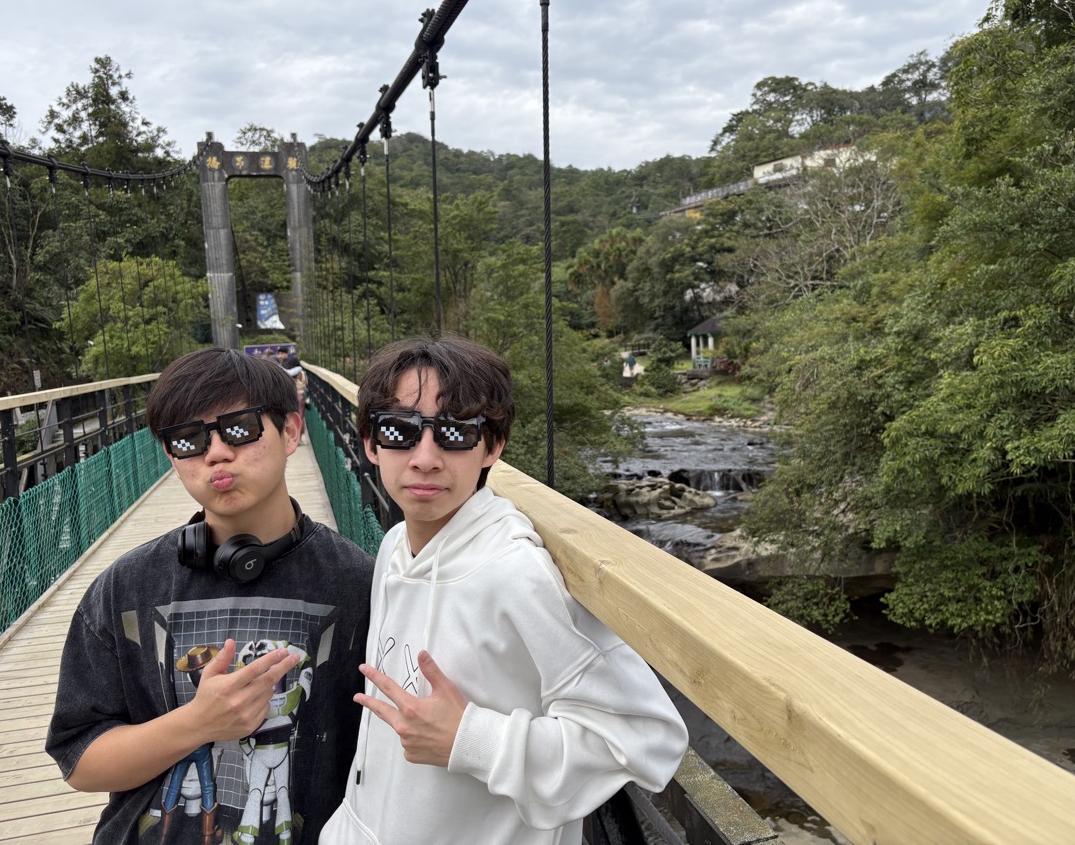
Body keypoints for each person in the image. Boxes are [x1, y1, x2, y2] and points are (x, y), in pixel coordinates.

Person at [319, 334, 688, 845]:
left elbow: (646, 738)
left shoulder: (516, 574)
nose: (425, 457)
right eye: (399, 430)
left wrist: (471, 739)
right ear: (370, 443)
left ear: (492, 446)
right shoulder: (396, 544)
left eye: (454, 432)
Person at [47, 347, 376, 845]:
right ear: (170, 457)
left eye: (239, 429)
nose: (216, 453)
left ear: (291, 431)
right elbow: (80, 763)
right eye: (189, 440)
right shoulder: (125, 587)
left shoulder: (357, 584)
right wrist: (198, 724)